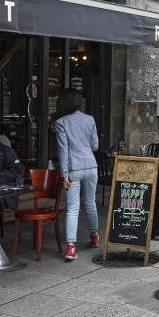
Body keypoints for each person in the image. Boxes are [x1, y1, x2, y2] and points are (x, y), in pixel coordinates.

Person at [56, 87, 100, 261]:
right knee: (90, 203)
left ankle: (71, 247)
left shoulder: (61, 122)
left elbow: (63, 150)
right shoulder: (90, 119)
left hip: (73, 168)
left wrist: (64, 174)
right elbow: (95, 145)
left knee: (73, 208)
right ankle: (94, 235)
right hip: (91, 166)